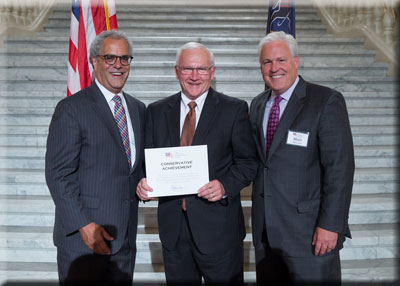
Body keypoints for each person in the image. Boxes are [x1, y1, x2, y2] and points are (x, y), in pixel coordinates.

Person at [136, 42, 258, 285]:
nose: (194, 76)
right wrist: (141, 181)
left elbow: (248, 162)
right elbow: (146, 160)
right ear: (176, 71)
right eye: (188, 69)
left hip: (219, 231)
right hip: (174, 231)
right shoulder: (156, 111)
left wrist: (224, 185)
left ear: (212, 72)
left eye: (201, 69)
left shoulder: (234, 109)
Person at [250, 31, 355, 285]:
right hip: (267, 235)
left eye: (281, 60)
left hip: (310, 234)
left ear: (296, 62)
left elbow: (340, 169)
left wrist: (331, 225)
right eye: (267, 62)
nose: (274, 68)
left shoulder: (325, 101)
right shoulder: (257, 104)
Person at [45, 30, 145, 285]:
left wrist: (147, 182)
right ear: (94, 60)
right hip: (84, 241)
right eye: (110, 57)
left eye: (124, 59)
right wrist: (84, 225)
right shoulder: (71, 109)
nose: (118, 65)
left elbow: (133, 168)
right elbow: (58, 175)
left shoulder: (138, 109)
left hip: (124, 241)